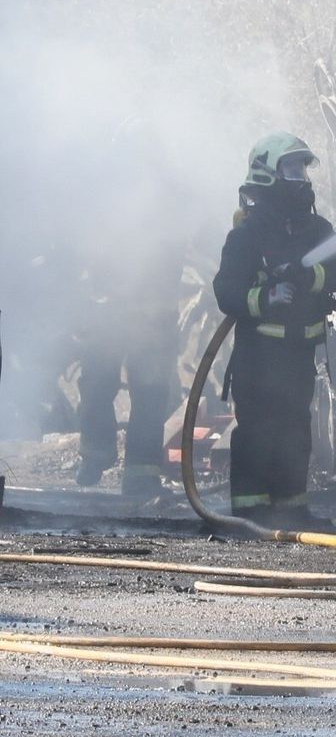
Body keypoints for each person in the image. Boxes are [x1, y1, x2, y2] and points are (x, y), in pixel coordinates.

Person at [212, 133, 336, 525]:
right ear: (267, 172)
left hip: (298, 354)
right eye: (291, 167)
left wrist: (310, 278)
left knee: (295, 428)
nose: (300, 176)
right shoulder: (247, 234)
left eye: (303, 167)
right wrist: (266, 298)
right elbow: (226, 291)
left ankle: (292, 511)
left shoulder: (316, 229)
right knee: (258, 429)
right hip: (258, 356)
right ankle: (250, 513)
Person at [75, 122, 187, 498]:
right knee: (95, 384)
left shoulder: (167, 199)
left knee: (150, 393)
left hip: (151, 317)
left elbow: (175, 251)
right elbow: (85, 247)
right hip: (109, 313)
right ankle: (96, 453)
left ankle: (140, 474)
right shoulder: (100, 195)